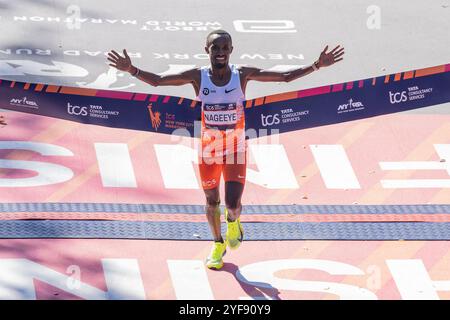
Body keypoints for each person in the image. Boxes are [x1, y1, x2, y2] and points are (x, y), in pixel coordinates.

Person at [107, 30, 344, 270]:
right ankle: (217, 244)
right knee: (211, 201)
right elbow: (158, 80)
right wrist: (132, 70)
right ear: (206, 50)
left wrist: (316, 65)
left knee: (231, 204)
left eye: (224, 47)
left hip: (235, 149)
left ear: (231, 50)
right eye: (215, 48)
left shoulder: (241, 75)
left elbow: (284, 77)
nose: (220, 52)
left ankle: (234, 221)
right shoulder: (197, 77)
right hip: (209, 150)